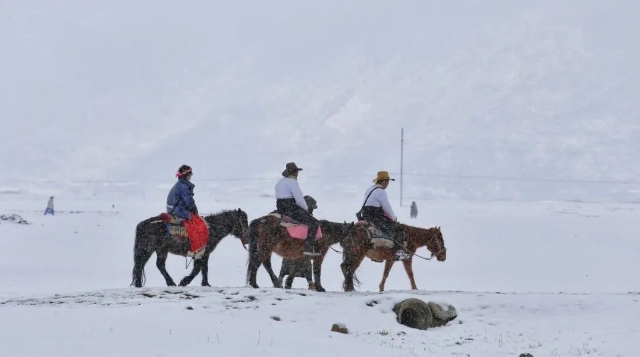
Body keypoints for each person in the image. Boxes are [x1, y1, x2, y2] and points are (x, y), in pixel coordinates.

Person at [361, 171, 411, 261]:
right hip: (375, 216)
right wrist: (394, 218)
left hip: (365, 215)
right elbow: (387, 207)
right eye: (387, 181)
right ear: (383, 182)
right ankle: (399, 252)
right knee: (398, 228)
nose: (388, 184)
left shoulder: (370, 189)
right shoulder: (380, 192)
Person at [275, 162, 320, 257]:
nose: (297, 174)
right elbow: (299, 199)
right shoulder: (292, 182)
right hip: (290, 208)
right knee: (314, 223)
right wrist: (306, 210)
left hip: (280, 208)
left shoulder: (280, 182)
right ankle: (308, 248)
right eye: (297, 172)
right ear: (295, 173)